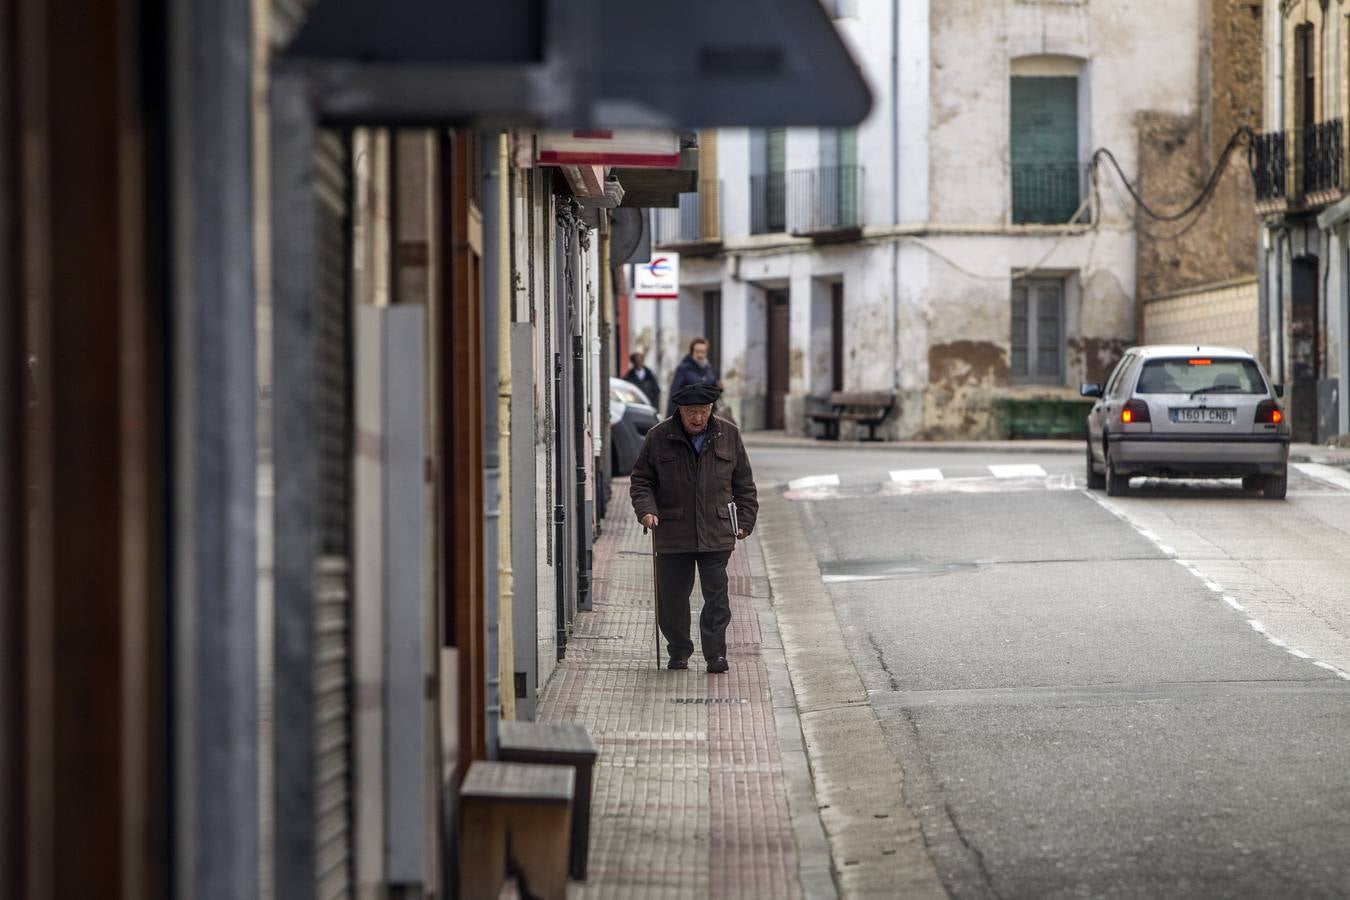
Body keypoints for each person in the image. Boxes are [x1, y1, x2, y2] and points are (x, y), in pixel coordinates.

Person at [630, 382, 758, 674]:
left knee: (717, 596)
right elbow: (641, 481)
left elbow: (744, 485)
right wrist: (646, 511)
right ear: (680, 410)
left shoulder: (729, 435)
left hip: (716, 530)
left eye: (702, 411)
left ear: (711, 409)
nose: (697, 418)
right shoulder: (658, 437)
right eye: (691, 412)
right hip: (673, 531)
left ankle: (716, 655)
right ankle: (679, 650)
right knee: (672, 597)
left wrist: (745, 521)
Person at [666, 337, 721, 419]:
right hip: (689, 417)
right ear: (692, 352)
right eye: (697, 352)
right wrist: (671, 419)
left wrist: (719, 388)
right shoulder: (683, 369)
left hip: (707, 416)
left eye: (702, 352)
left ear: (706, 353)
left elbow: (713, 392)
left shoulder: (709, 369)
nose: (700, 355)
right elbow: (674, 395)